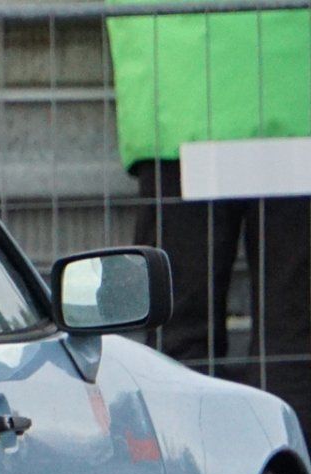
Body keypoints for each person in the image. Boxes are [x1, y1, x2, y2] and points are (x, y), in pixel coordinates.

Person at [106, 0, 311, 417]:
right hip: (293, 80)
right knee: (292, 339)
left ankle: (192, 472)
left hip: (180, 86)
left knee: (180, 335)